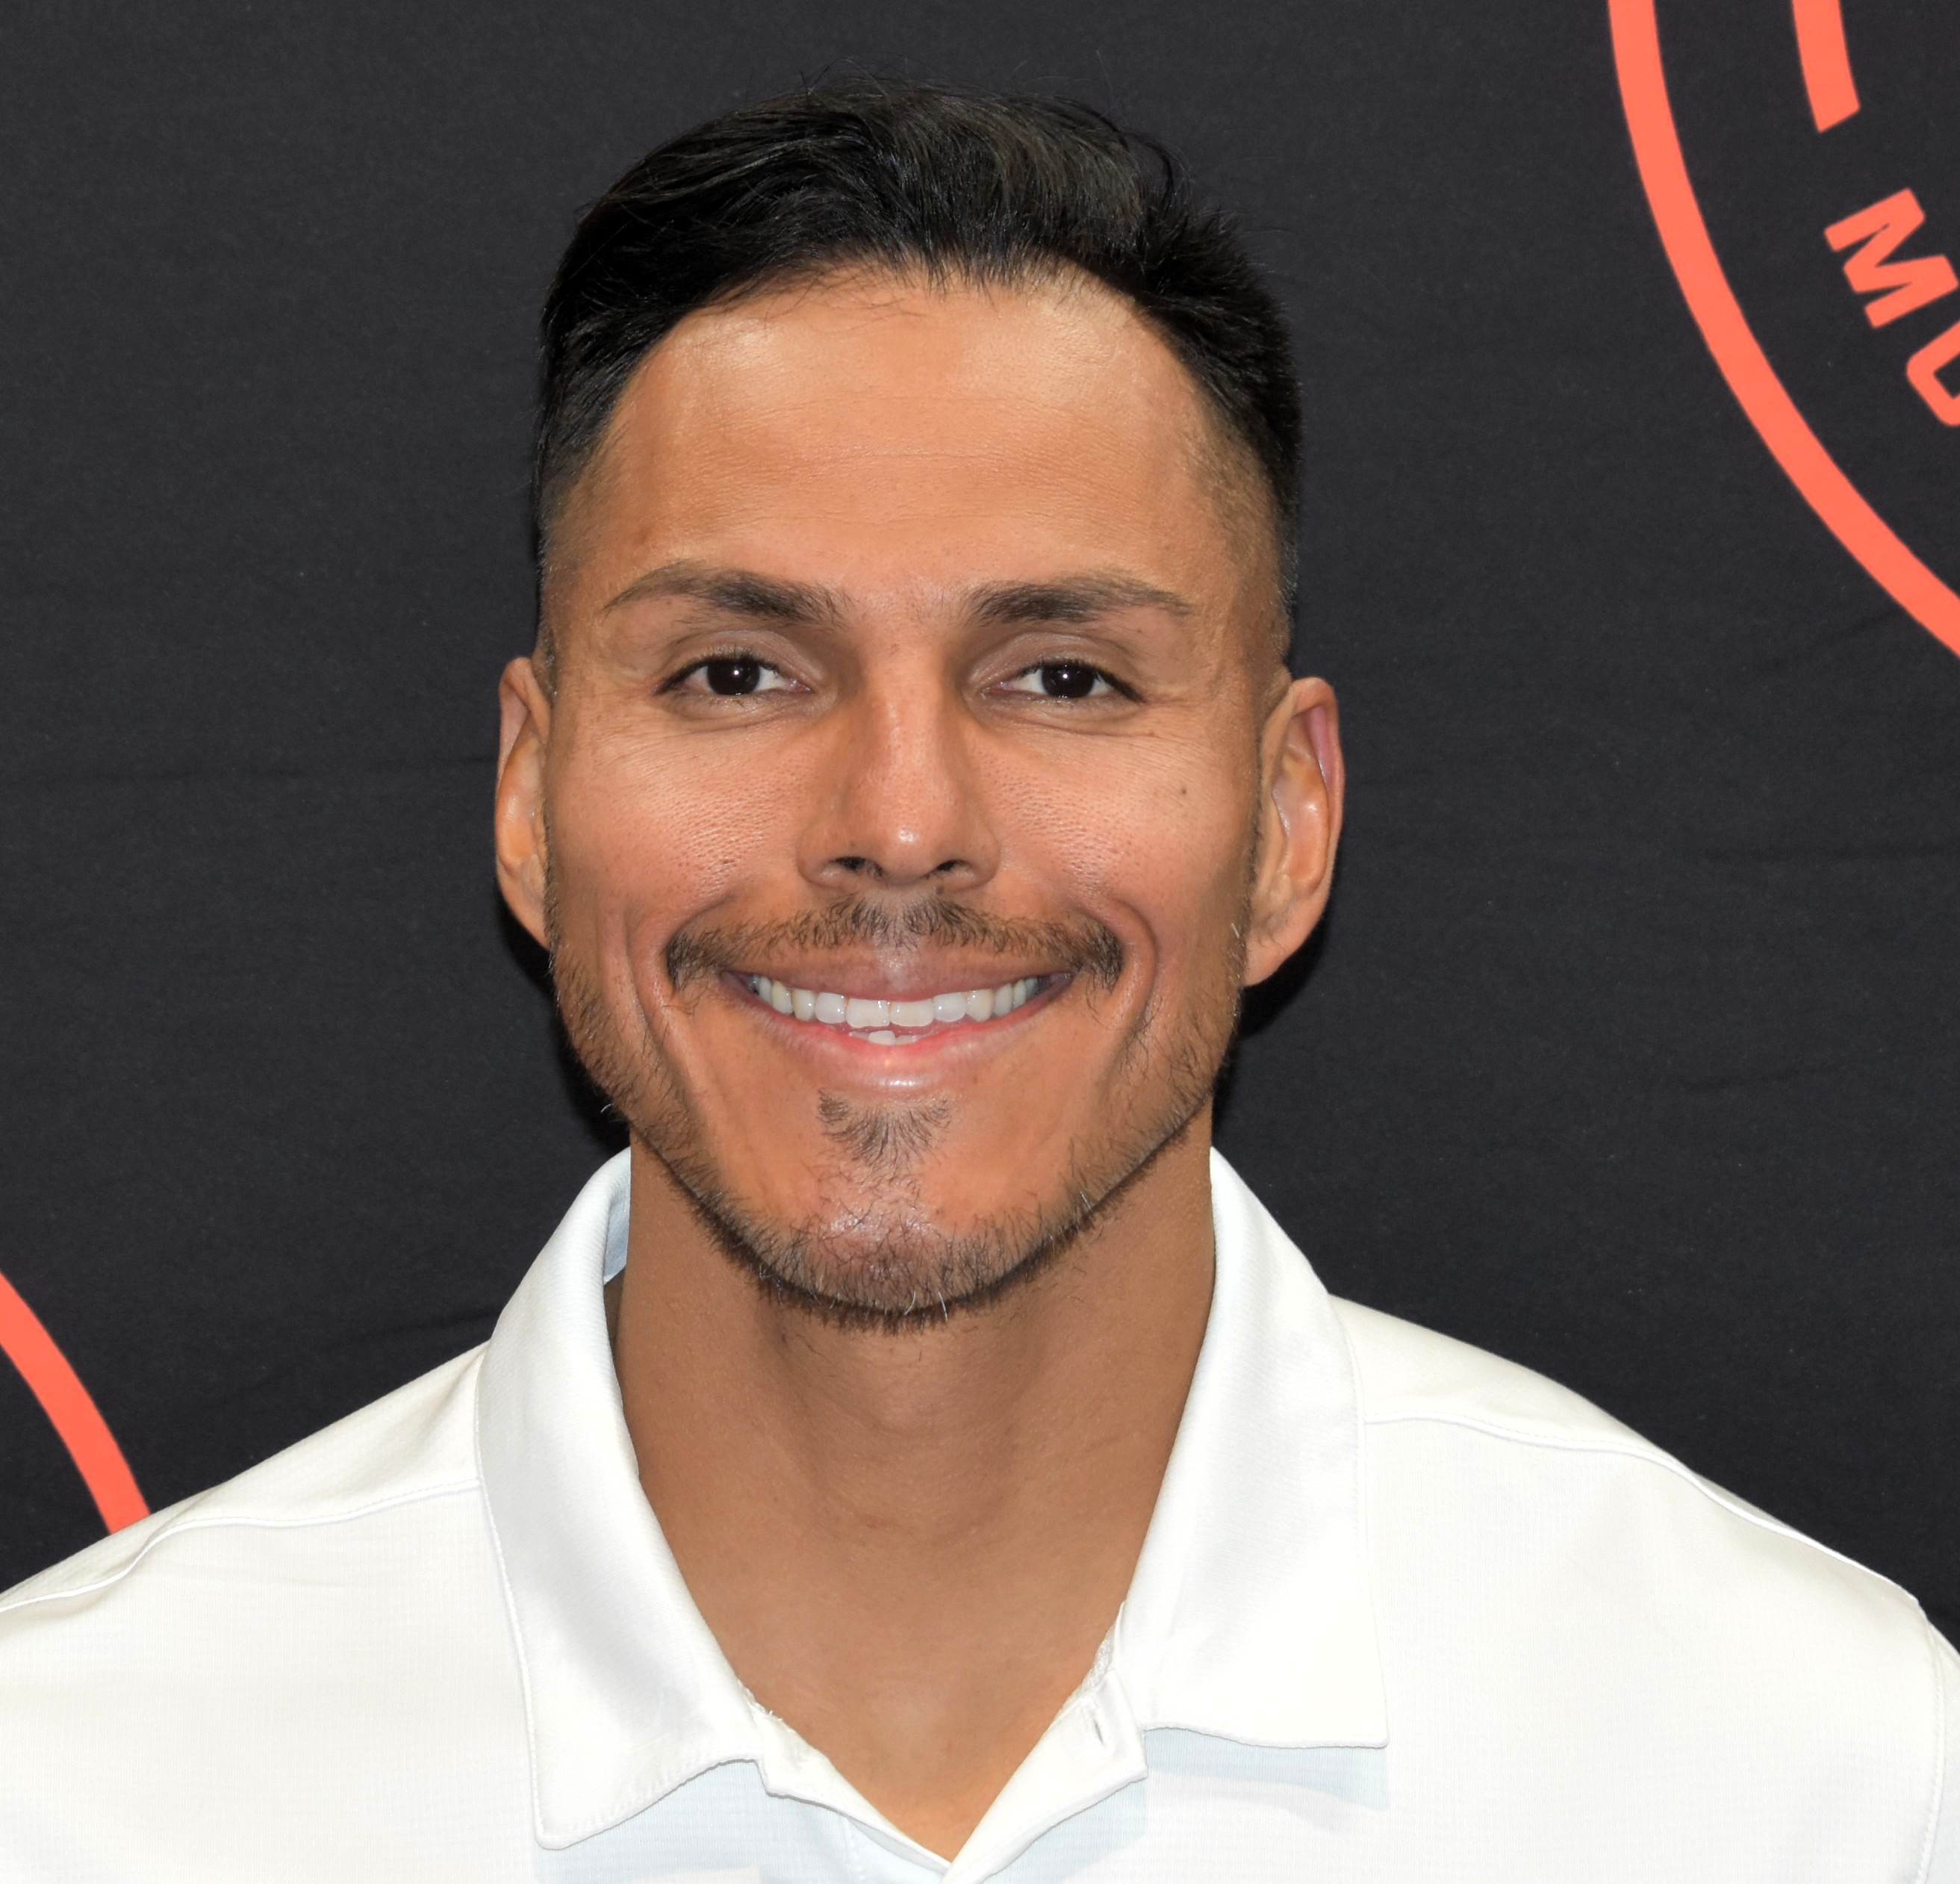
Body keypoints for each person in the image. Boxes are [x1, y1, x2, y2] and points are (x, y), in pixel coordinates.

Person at [0, 80, 1951, 1883]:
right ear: (530, 798)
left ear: (1287, 823)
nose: (901, 821)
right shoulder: (83, 1788)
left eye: (1062, 677)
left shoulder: (1802, 1776)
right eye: (737, 672)